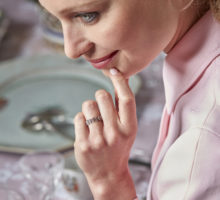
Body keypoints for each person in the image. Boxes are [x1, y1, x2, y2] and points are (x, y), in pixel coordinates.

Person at [39, 0, 220, 199]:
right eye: (57, 20)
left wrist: (109, 181)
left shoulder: (203, 139)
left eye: (88, 15)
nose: (71, 50)